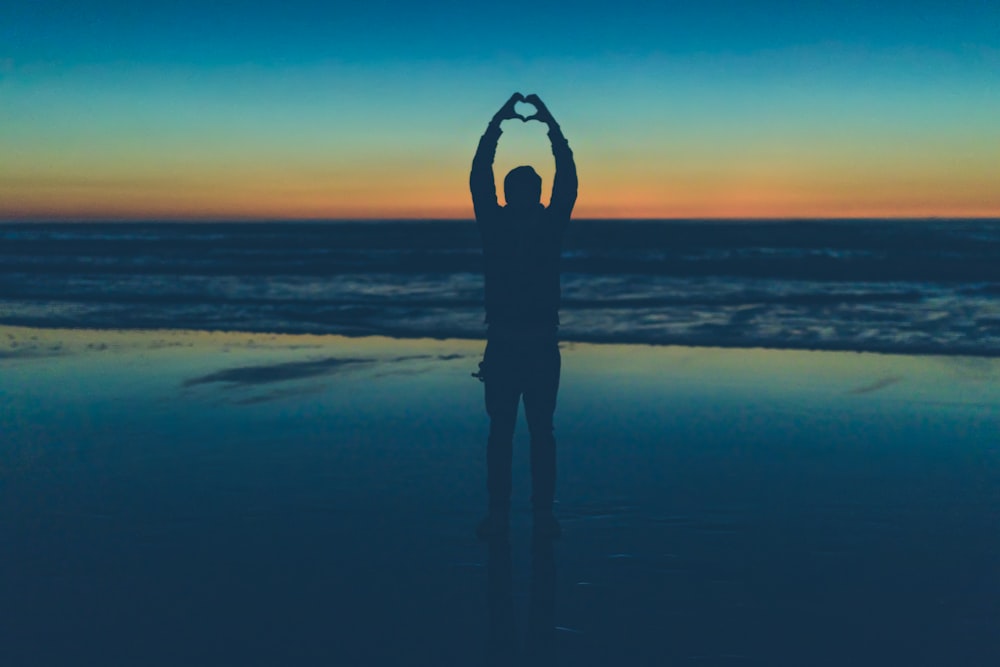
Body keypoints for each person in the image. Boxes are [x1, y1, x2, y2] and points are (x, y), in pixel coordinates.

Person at [470, 93, 578, 539]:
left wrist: (499, 120)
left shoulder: (495, 226)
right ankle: (539, 514)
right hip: (534, 342)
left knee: (504, 432)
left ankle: (503, 514)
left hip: (510, 341)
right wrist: (549, 122)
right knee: (538, 432)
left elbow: (479, 174)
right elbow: (568, 178)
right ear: (535, 195)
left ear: (510, 194)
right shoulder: (548, 226)